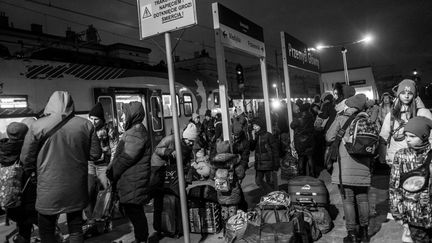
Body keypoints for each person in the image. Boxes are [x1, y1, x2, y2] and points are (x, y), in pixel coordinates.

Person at [20, 91, 101, 243]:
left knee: (47, 229)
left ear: (50, 104)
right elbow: (95, 154)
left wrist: (33, 172)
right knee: (76, 228)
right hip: (76, 186)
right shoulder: (86, 124)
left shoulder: (37, 126)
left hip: (48, 186)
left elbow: (26, 159)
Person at [380, 79, 432, 241]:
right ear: (399, 94)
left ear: (414, 94)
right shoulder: (392, 114)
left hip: (419, 160)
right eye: (403, 92)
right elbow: (383, 136)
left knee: (419, 192)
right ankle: (407, 224)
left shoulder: (422, 113)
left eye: (410, 93)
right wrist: (384, 156)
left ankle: (418, 224)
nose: (407, 96)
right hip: (398, 159)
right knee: (400, 191)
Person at [326, 94, 371, 243]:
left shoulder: (341, 118)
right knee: (363, 199)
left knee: (348, 200)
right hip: (364, 165)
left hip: (345, 166)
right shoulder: (367, 119)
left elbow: (329, 137)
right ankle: (364, 233)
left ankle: (352, 234)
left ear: (349, 106)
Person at [106, 101, 152, 243]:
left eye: (125, 114)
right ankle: (141, 239)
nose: (123, 117)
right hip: (132, 179)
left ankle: (142, 240)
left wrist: (112, 172)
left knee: (135, 212)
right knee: (134, 211)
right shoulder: (135, 130)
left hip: (133, 180)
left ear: (133, 115)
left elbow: (126, 158)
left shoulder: (136, 132)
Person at [389, 116, 432, 243]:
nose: (407, 139)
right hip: (413, 214)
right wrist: (397, 212)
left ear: (424, 136)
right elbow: (394, 186)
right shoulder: (401, 155)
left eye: (412, 136)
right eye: (406, 135)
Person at [0, 122, 36, 243]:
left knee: (23, 226)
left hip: (9, 198)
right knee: (44, 225)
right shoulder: (28, 149)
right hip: (29, 197)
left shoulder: (2, 149)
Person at [85, 102, 111, 230]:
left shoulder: (109, 129)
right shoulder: (86, 128)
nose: (93, 122)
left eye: (96, 119)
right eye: (91, 119)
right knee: (89, 191)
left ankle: (103, 218)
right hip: (90, 163)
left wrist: (110, 161)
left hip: (103, 165)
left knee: (104, 191)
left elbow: (114, 147)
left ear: (101, 119)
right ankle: (90, 218)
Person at [250, 118, 279, 191]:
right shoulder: (256, 136)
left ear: (260, 126)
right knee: (258, 181)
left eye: (256, 126)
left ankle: (272, 196)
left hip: (268, 164)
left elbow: (275, 150)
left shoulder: (268, 135)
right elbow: (251, 148)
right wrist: (253, 138)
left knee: (269, 182)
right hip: (259, 164)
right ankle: (270, 194)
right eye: (253, 126)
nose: (254, 128)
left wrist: (276, 164)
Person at [291, 103, 315, 177]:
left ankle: (301, 174)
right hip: (310, 140)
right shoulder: (311, 116)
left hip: (300, 141)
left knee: (301, 158)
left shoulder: (298, 117)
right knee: (310, 157)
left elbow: (292, 125)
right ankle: (312, 174)